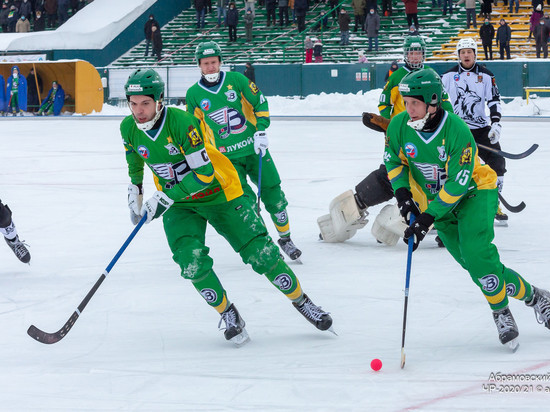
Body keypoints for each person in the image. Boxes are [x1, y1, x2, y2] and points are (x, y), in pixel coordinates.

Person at [122, 68, 332, 345]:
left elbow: (203, 176)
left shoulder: (182, 122)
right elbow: (135, 159)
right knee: (190, 263)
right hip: (179, 205)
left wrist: (162, 198)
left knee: (262, 255)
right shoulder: (128, 127)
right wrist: (135, 190)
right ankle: (229, 313)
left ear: (159, 100)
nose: (139, 111)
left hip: (220, 193)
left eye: (145, 103)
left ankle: (302, 301)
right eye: (133, 103)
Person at [384, 68, 550, 350]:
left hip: (475, 192)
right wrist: (403, 197)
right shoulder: (398, 125)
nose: (408, 108)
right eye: (406, 101)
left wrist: (425, 220)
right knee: (476, 267)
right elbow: (394, 162)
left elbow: (457, 185)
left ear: (432, 101)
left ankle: (501, 313)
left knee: (477, 254)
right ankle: (536, 297)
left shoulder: (457, 131)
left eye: (414, 102)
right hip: (438, 205)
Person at [318, 36, 453, 246]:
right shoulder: (398, 76)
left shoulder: (431, 77)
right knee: (391, 173)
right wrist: (391, 125)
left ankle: (443, 226)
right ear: (405, 55)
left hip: (429, 137)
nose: (415, 56)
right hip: (404, 136)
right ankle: (351, 209)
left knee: (434, 180)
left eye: (418, 52)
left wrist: (448, 129)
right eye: (412, 52)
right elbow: (384, 103)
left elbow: (447, 108)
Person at [186, 42, 303, 261]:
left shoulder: (237, 80)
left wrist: (260, 131)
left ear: (220, 62)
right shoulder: (193, 94)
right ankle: (265, 242)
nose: (210, 67)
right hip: (226, 161)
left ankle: (286, 239)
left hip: (254, 150)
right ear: (199, 66)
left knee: (274, 194)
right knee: (246, 203)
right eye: (205, 64)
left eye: (213, 62)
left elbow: (260, 102)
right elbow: (193, 130)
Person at [441, 38, 508, 225]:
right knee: (450, 168)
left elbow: (494, 100)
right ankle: (446, 206)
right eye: (462, 52)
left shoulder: (486, 75)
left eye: (469, 51)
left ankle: (493, 203)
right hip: (456, 130)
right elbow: (437, 103)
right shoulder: (447, 76)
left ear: (475, 53)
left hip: (480, 129)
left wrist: (495, 124)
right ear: (458, 55)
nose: (466, 55)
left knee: (498, 162)